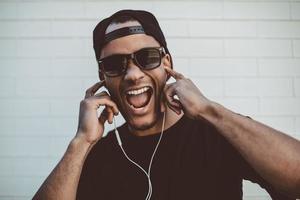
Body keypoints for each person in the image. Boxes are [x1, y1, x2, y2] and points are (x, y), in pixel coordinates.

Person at [33, 10, 300, 200]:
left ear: (167, 64)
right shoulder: (94, 155)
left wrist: (210, 110)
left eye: (146, 57)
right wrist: (80, 142)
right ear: (103, 78)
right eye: (115, 65)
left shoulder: (218, 130)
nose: (132, 74)